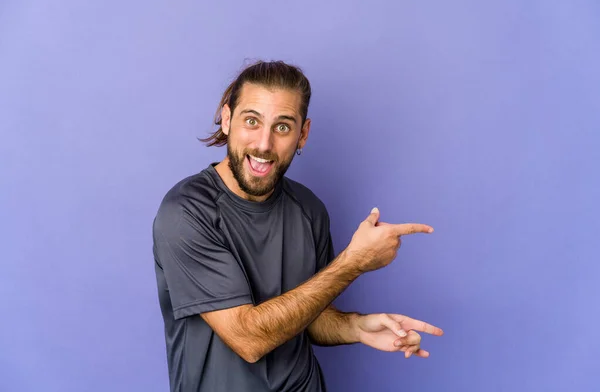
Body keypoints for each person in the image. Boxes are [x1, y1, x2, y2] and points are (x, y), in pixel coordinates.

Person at [152, 60, 444, 392]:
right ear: (228, 118)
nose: (264, 144)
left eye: (282, 127)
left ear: (302, 134)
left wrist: (358, 328)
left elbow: (309, 316)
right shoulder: (187, 212)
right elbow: (248, 338)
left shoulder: (309, 209)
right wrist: (353, 263)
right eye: (252, 121)